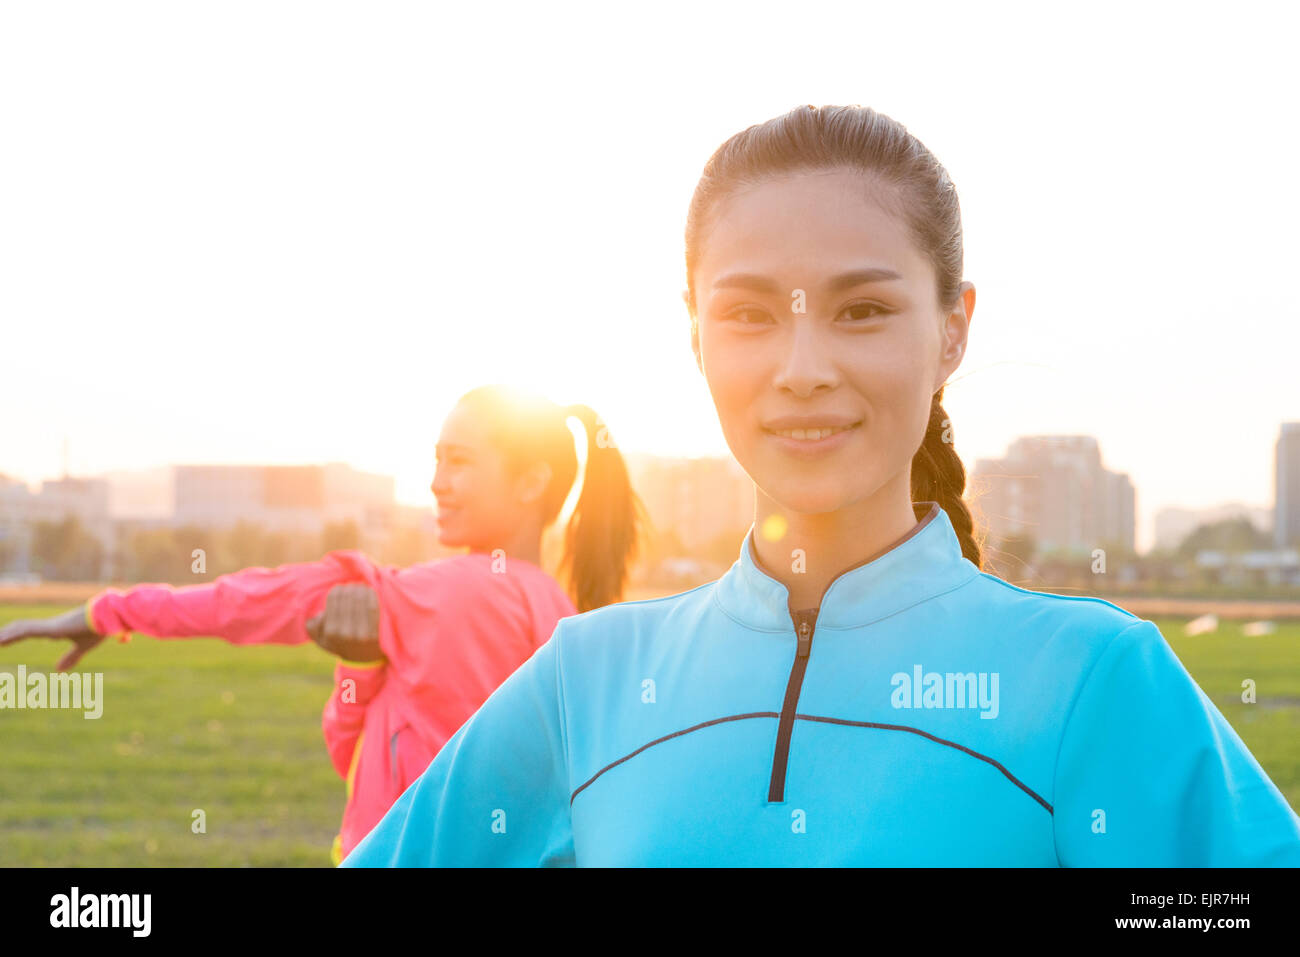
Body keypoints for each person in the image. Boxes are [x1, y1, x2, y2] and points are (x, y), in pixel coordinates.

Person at [341, 105, 1300, 867]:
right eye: (751, 313)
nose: (803, 366)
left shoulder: (1093, 677)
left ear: (953, 330)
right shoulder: (583, 679)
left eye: (864, 309)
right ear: (694, 335)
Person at [0, 384, 647, 863]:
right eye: (436, 459)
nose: (436, 482)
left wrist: (104, 611)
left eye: (460, 460)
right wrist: (362, 668)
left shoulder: (438, 594)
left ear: (532, 480)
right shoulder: (561, 610)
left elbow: (248, 601)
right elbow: (367, 757)